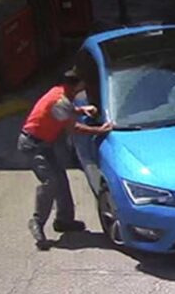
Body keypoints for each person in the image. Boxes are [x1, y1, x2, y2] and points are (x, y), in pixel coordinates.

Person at [18, 69, 112, 250]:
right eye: (80, 85)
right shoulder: (59, 99)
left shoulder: (59, 93)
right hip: (33, 146)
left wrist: (81, 109)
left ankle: (64, 221)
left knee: (61, 180)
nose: (82, 88)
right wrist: (100, 130)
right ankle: (37, 222)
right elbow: (74, 128)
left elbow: (64, 111)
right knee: (51, 182)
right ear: (73, 85)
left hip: (44, 145)